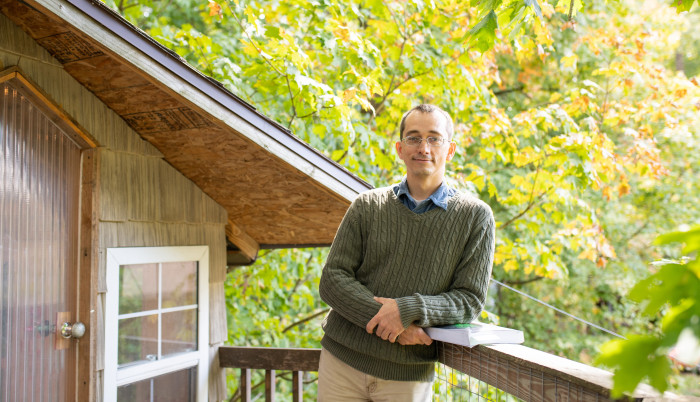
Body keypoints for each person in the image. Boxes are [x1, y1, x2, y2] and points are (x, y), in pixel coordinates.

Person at [317, 104, 495, 401]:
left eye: (434, 138)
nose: (423, 147)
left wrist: (408, 309)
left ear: (450, 150)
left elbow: (470, 300)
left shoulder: (476, 217)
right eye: (413, 138)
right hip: (341, 363)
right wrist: (392, 324)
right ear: (400, 148)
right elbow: (332, 280)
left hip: (408, 375)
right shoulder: (367, 205)